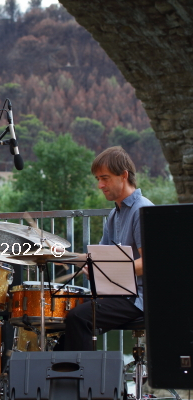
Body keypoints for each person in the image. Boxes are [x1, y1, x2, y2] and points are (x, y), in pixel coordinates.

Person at [62, 146, 153, 351]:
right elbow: (97, 259)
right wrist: (61, 255)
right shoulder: (115, 214)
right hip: (120, 294)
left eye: (105, 178)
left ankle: (85, 380)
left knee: (79, 317)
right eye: (98, 179)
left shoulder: (141, 210)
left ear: (124, 176)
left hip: (138, 298)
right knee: (63, 310)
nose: (100, 185)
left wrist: (106, 271)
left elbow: (149, 263)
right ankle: (61, 375)